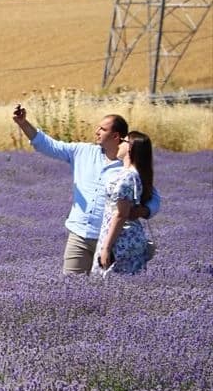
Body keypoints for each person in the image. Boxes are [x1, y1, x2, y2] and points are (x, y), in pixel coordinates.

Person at [13, 106, 161, 274]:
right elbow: (49, 145)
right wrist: (24, 124)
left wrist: (144, 210)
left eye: (102, 129)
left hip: (112, 239)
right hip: (80, 235)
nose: (96, 131)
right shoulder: (82, 151)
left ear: (115, 136)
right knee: (71, 287)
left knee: (109, 292)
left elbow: (154, 197)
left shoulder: (128, 167)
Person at [95, 131, 155, 276]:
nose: (119, 144)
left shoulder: (127, 177)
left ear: (130, 147)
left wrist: (106, 248)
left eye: (122, 141)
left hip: (121, 241)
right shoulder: (134, 174)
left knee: (111, 288)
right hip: (128, 239)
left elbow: (120, 214)